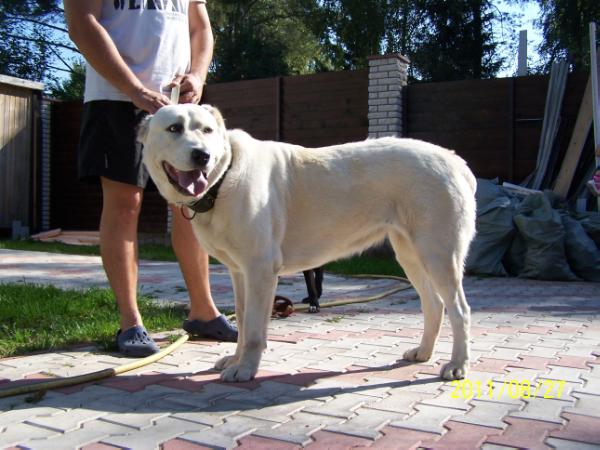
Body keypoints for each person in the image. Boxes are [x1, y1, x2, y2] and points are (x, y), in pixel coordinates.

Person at [64, 0, 237, 357]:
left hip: (177, 103)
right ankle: (131, 323)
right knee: (125, 205)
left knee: (190, 201)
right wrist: (132, 88)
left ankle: (203, 311)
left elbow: (199, 27)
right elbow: (82, 23)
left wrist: (198, 76)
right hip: (115, 97)